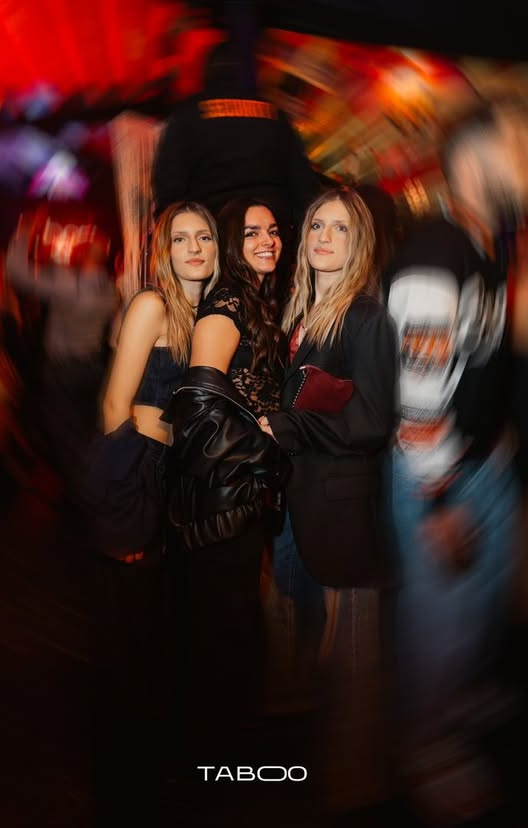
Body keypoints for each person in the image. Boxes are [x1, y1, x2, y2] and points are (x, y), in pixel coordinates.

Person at [383, 101, 528, 827]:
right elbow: (416, 398)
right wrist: (439, 501)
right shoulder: (436, 256)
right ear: (474, 156)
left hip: (480, 466)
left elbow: (480, 362)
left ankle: (455, 706)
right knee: (440, 626)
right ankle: (425, 749)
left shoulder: (483, 245)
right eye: (520, 142)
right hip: (439, 478)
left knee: (479, 608)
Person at [258, 187, 398, 809]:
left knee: (353, 656)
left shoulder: (365, 316)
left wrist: (287, 425)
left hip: (341, 505)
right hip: (298, 501)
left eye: (340, 229)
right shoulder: (303, 312)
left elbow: (371, 423)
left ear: (359, 243)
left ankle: (355, 780)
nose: (324, 237)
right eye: (318, 224)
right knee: (298, 632)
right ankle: (301, 755)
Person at [89, 200, 220, 827]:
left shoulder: (209, 317)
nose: (194, 248)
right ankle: (125, 792)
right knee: (133, 642)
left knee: (163, 637)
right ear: (163, 251)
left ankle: (157, 774)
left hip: (176, 488)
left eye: (204, 237)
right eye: (180, 239)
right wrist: (126, 506)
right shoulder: (152, 306)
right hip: (138, 473)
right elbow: (114, 405)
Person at [163, 195, 291, 769]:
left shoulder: (256, 299)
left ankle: (220, 743)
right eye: (252, 232)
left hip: (239, 490)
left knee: (232, 622)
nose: (267, 240)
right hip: (220, 495)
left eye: (273, 230)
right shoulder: (227, 303)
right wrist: (267, 454)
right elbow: (196, 410)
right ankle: (210, 758)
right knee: (222, 627)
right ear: (233, 245)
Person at [151, 39, 320, 274]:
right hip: (270, 237)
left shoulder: (188, 114)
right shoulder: (274, 113)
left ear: (207, 72)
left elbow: (168, 185)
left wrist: (175, 237)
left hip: (213, 237)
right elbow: (304, 185)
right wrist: (297, 243)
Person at [5, 209, 119, 511]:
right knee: (89, 431)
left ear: (82, 255)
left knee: (66, 437)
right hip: (94, 368)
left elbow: (16, 273)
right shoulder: (110, 290)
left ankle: (89, 501)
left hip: (63, 371)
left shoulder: (68, 284)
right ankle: (101, 487)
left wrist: (25, 231)